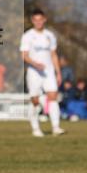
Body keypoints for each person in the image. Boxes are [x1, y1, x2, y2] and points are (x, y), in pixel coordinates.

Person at [20, 9, 65, 137]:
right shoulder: (27, 36)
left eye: (41, 19)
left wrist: (58, 72)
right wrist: (35, 64)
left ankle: (56, 127)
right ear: (32, 21)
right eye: (36, 20)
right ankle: (35, 128)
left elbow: (53, 54)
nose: (38, 22)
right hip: (34, 72)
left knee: (53, 96)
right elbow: (24, 55)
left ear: (44, 19)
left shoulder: (50, 35)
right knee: (35, 100)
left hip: (48, 71)